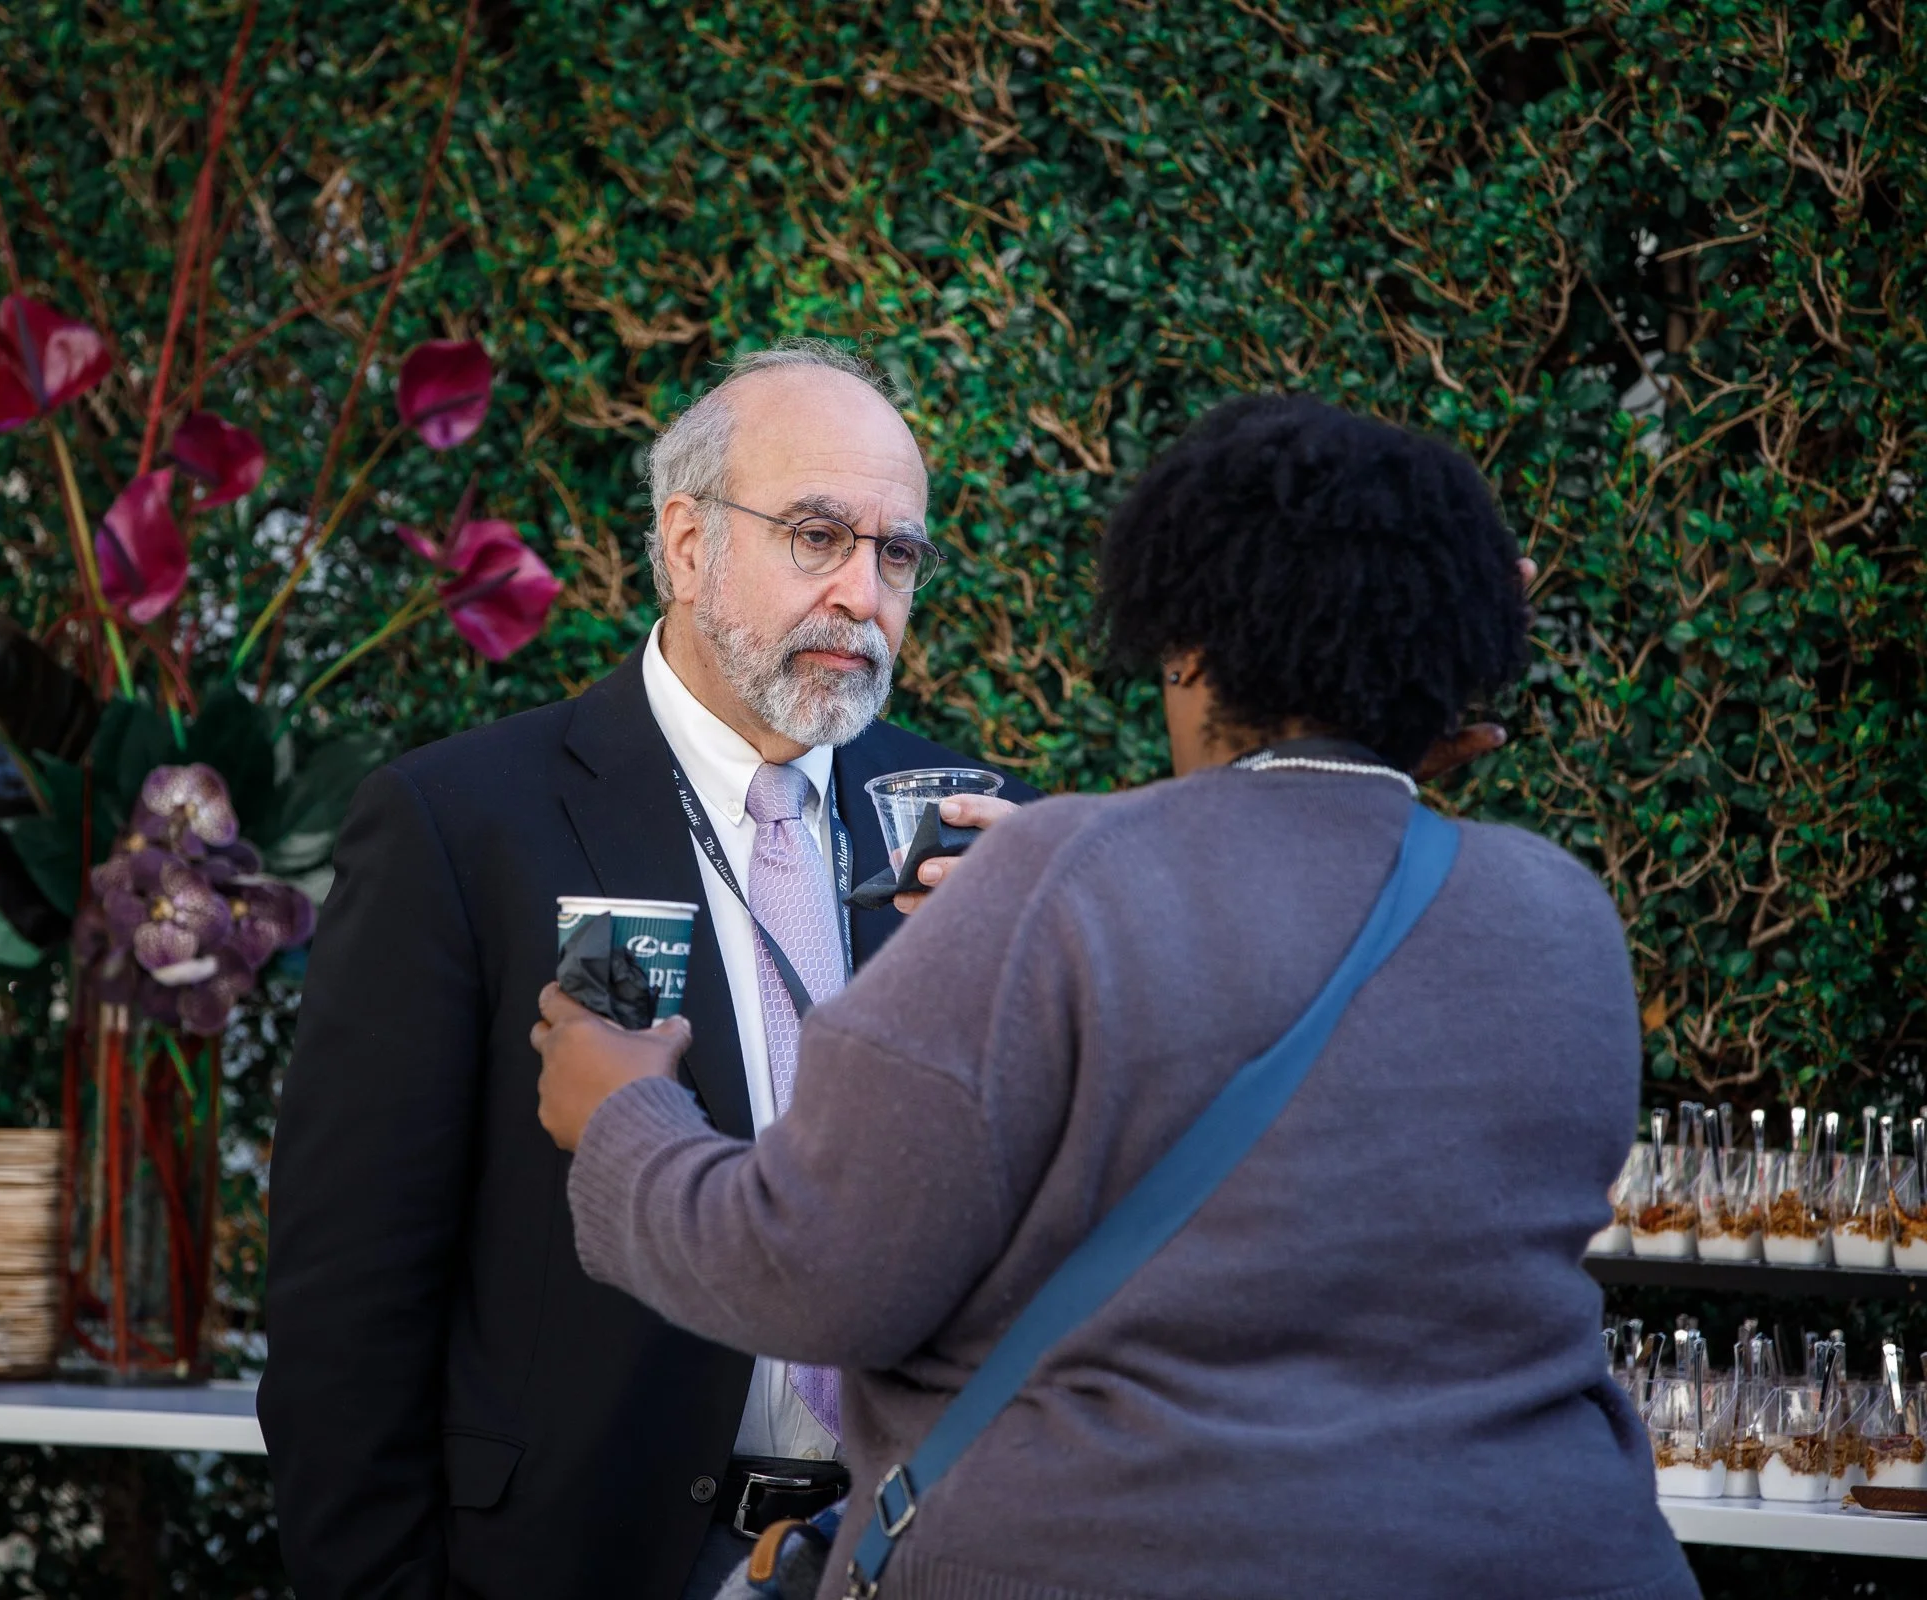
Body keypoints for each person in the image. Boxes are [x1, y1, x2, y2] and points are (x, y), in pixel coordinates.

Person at [532, 395, 1701, 1600]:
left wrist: (623, 1117)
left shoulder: (1058, 878)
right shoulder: (1560, 916)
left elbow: (805, 1271)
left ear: (1185, 642)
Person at [258, 339, 1038, 1600]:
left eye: (897, 554)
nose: (862, 591)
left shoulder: (985, 833)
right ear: (685, 544)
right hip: (575, 1554)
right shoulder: (468, 826)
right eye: (817, 535)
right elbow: (348, 1295)